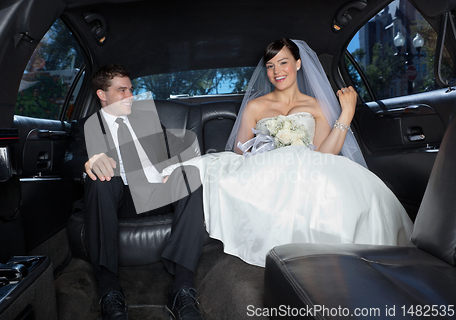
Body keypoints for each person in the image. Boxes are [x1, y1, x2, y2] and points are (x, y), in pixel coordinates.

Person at [161, 39, 414, 267]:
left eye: (283, 62)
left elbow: (326, 152)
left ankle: (344, 264)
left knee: (342, 194)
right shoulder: (256, 105)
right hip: (266, 173)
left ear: (298, 63)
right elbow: (239, 154)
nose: (276, 71)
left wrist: (346, 114)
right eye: (270, 66)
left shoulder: (316, 105)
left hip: (307, 169)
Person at [77, 64, 205, 320]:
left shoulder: (147, 119)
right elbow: (69, 157)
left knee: (189, 175)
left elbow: (178, 150)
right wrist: (88, 161)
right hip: (120, 198)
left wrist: (173, 167)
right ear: (102, 94)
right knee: (102, 178)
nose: (130, 96)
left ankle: (182, 288)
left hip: (157, 191)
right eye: (121, 90)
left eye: (131, 90)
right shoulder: (87, 126)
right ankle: (109, 290)